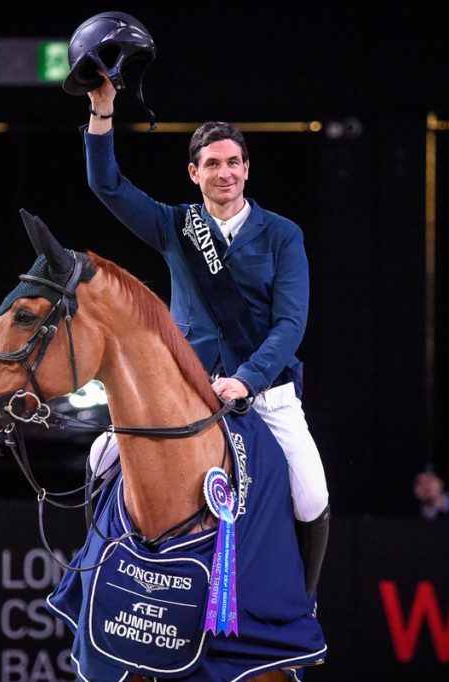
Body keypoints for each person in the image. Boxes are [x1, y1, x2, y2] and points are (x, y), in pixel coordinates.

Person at [80, 75, 330, 596]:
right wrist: (102, 114)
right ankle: (103, 583)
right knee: (101, 459)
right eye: (212, 164)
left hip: (265, 394)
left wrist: (245, 381)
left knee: (312, 495)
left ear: (246, 169)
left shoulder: (283, 234)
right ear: (194, 173)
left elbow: (291, 324)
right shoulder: (175, 226)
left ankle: (301, 612)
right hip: (185, 389)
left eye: (233, 162)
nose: (225, 173)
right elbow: (108, 186)